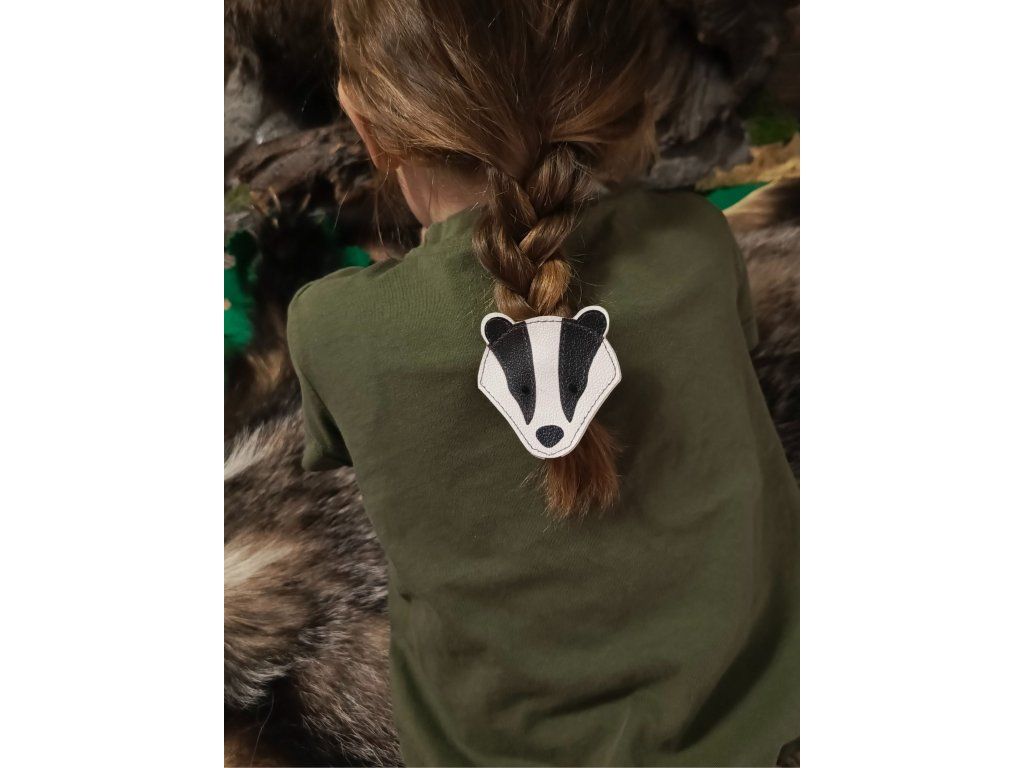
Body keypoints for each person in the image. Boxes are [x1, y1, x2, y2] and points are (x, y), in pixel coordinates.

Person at [286, 1, 799, 764]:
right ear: (628, 101)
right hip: (764, 717)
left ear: (367, 126)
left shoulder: (332, 328)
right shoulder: (695, 244)